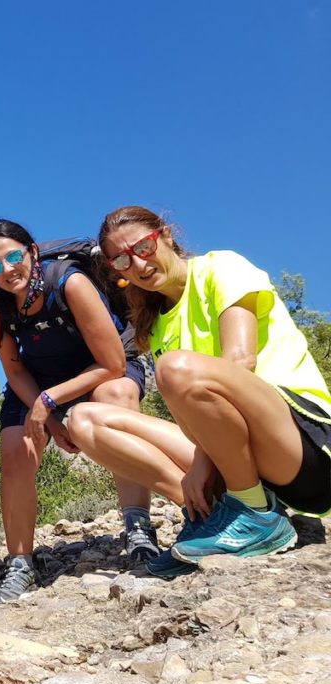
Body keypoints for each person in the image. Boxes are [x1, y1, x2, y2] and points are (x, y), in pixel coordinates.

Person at [67, 205, 331, 579]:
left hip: (299, 447)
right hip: (236, 457)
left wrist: (202, 464)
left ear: (167, 236)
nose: (138, 265)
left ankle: (254, 513)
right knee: (85, 420)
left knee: (177, 367)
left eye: (143, 247)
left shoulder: (220, 267)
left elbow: (241, 361)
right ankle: (211, 516)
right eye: (121, 261)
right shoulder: (157, 325)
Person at [0, 219, 154, 601]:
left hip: (101, 366)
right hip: (39, 379)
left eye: (13, 256)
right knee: (15, 450)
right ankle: (21, 563)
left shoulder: (69, 283)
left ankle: (138, 528)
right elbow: (15, 369)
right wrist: (51, 417)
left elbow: (113, 363)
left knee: (117, 397)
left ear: (32, 252)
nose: (7, 270)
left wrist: (47, 403)